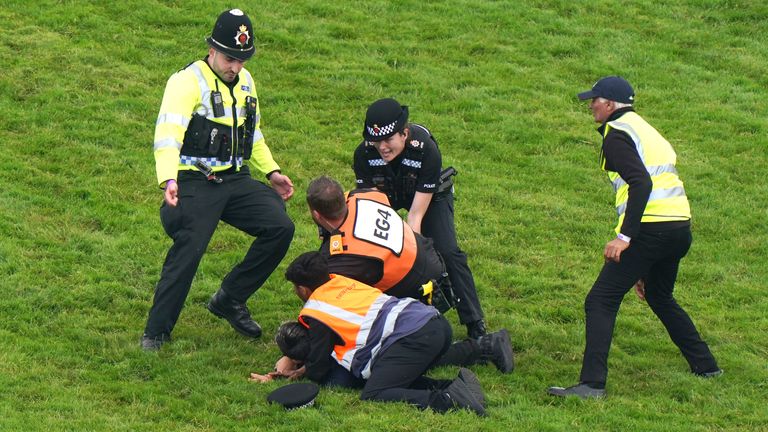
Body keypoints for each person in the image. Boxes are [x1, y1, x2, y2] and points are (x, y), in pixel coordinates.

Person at [548, 76, 721, 399]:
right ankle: (706, 364)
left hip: (649, 230)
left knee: (600, 300)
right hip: (678, 228)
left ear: (610, 104)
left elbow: (642, 184)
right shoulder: (644, 128)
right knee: (659, 295)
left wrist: (625, 237)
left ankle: (592, 385)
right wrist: (643, 263)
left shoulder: (617, 134)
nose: (591, 106)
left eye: (595, 100)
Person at [141, 9, 295, 350]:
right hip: (194, 180)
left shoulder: (247, 82)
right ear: (211, 49)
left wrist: (272, 171)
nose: (236, 67)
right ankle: (156, 331)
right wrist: (168, 179)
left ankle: (229, 298)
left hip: (235, 179)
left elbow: (252, 135)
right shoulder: (185, 82)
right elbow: (167, 134)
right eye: (230, 59)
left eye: (242, 60)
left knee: (280, 228)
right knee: (191, 247)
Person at [265, 251, 510, 415]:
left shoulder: (316, 310)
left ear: (304, 289)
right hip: (432, 323)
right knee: (393, 370)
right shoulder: (341, 280)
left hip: (413, 338)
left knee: (375, 391)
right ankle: (483, 349)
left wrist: (297, 368)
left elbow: (319, 369)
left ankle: (449, 399)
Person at [352, 98, 487, 338]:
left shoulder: (426, 149)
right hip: (386, 194)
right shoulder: (363, 154)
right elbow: (374, 207)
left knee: (447, 252)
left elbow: (415, 216)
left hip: (428, 196)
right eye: (376, 140)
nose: (382, 147)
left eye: (388, 139)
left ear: (404, 134)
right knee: (378, 251)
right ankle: (376, 321)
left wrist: (419, 254)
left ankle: (475, 323)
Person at [307, 175, 445, 301]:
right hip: (429, 254)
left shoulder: (342, 255)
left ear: (317, 215)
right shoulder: (362, 195)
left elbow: (328, 292)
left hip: (413, 286)